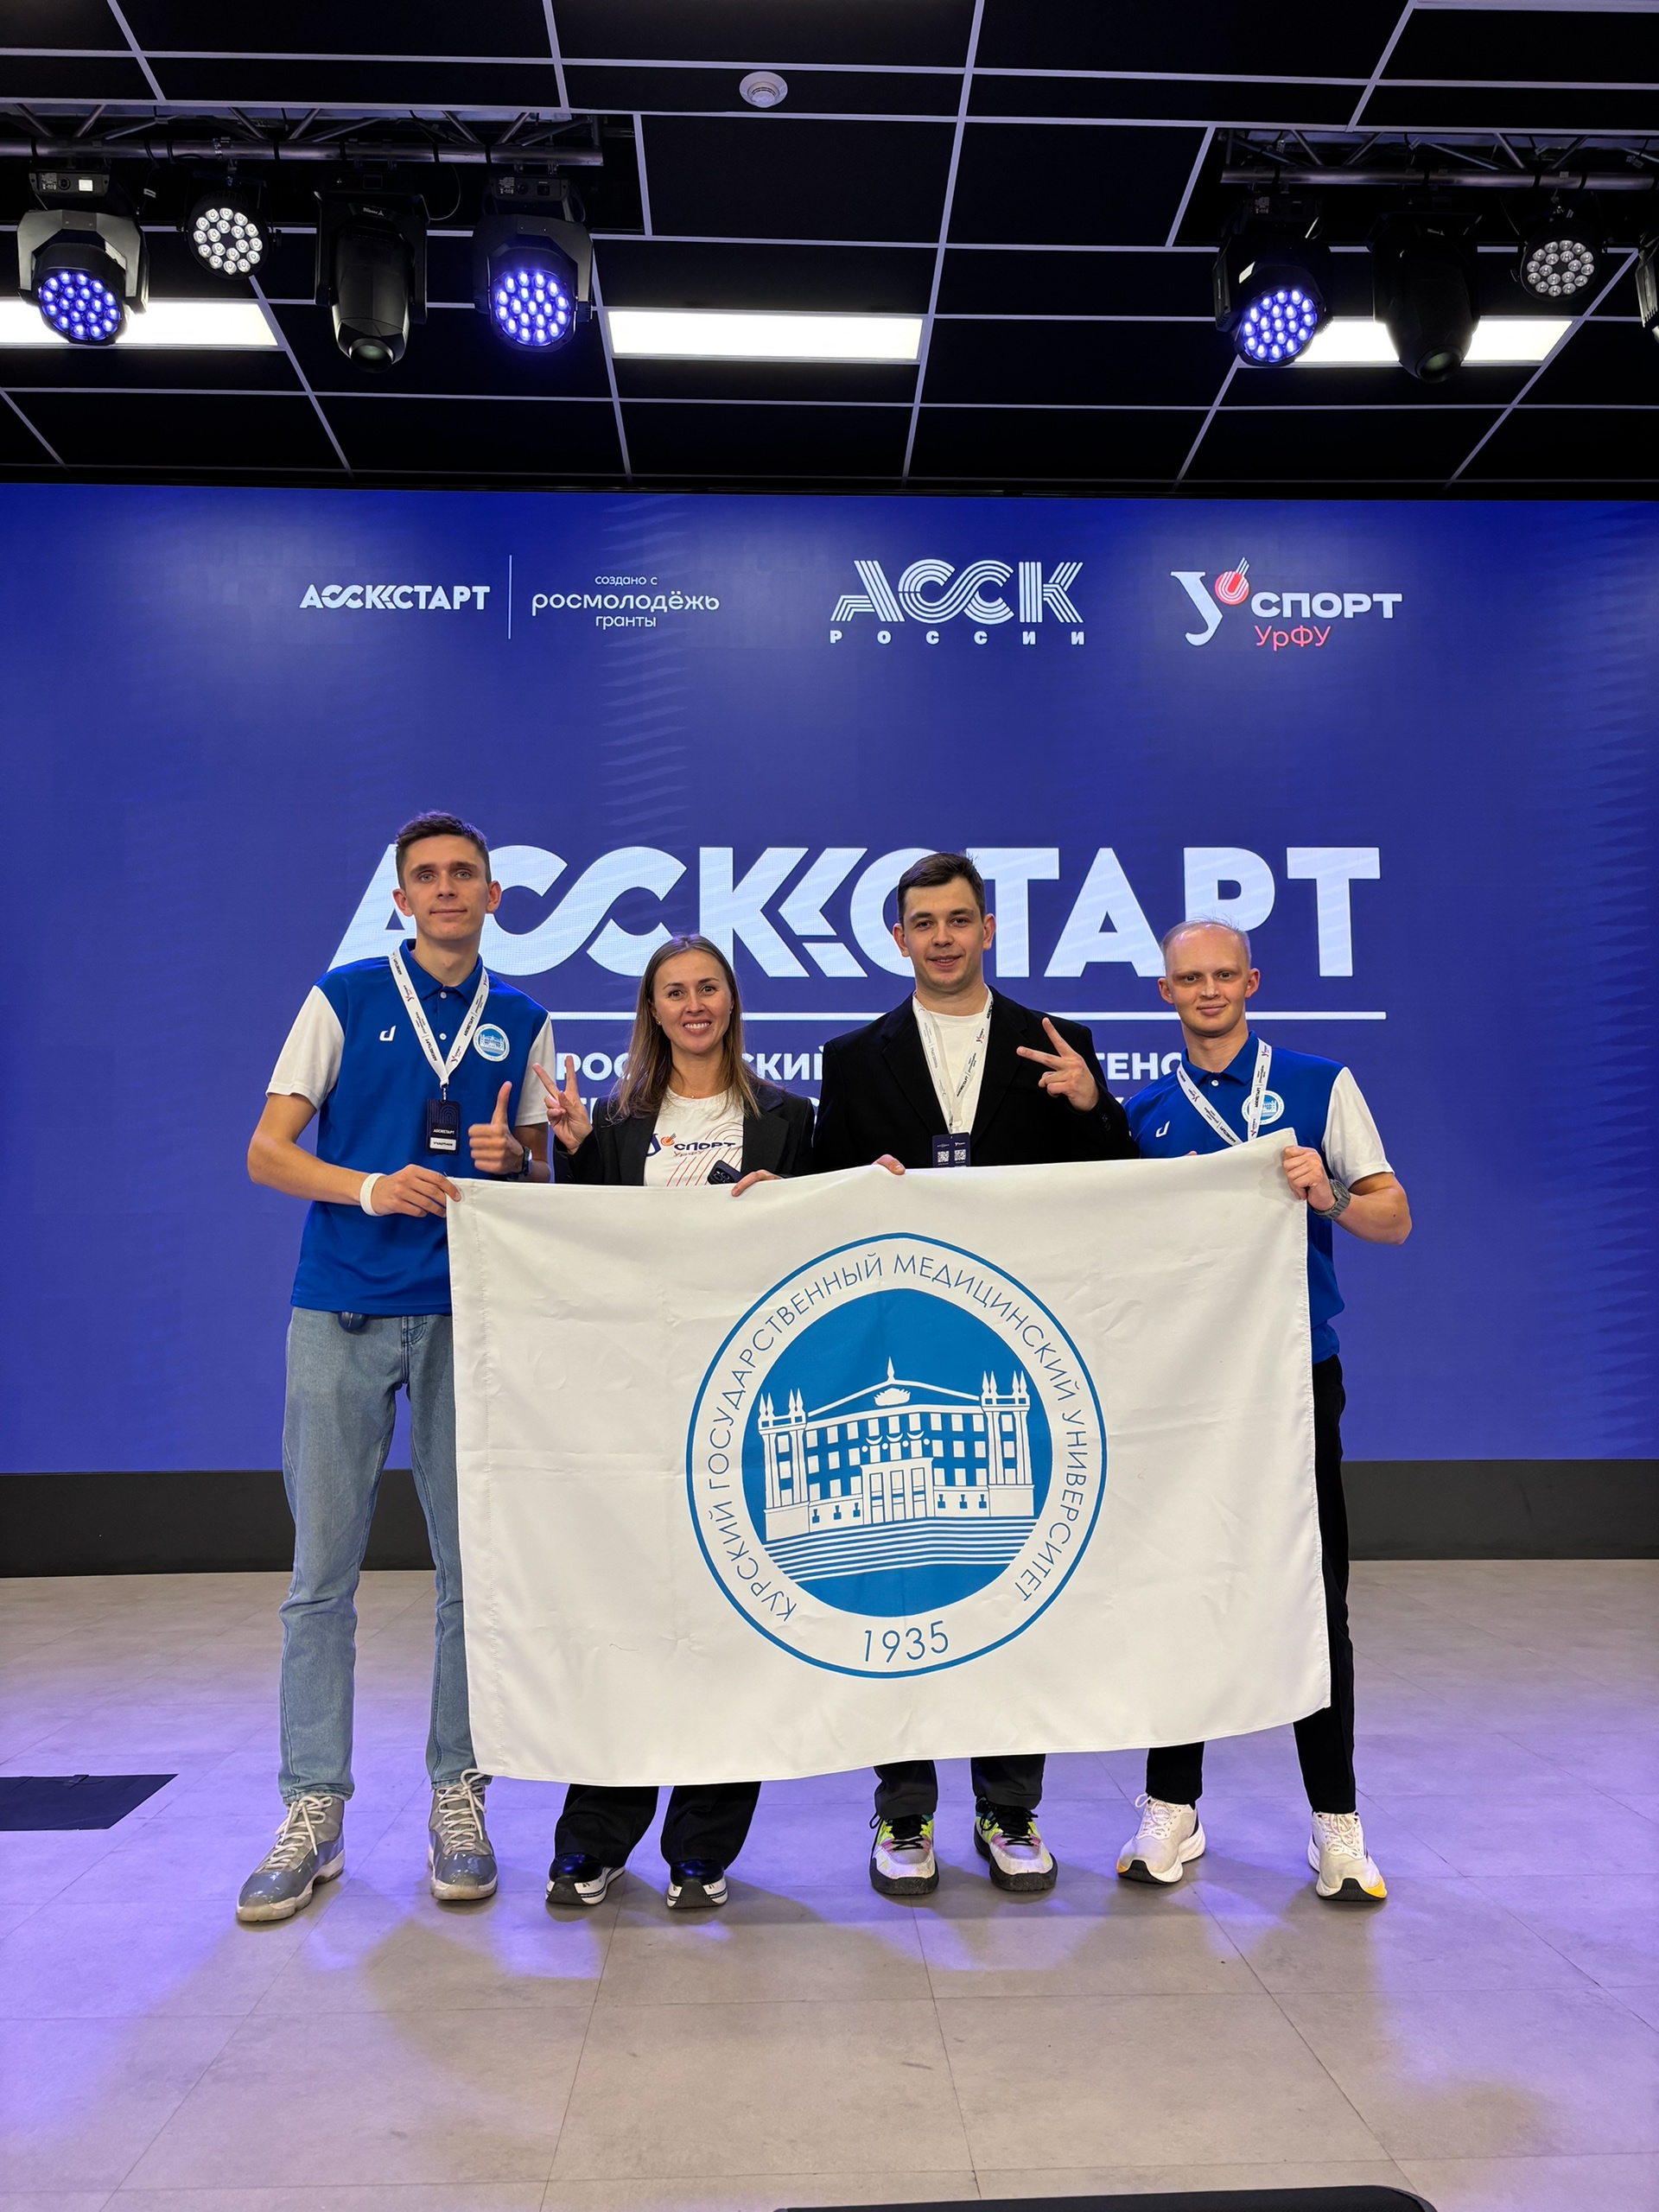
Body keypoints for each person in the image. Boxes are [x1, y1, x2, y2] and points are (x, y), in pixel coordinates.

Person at [237, 812, 556, 1924]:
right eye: (428, 876)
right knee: (320, 1574)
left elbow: (536, 1177)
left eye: (465, 873)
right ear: (402, 898)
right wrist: (371, 1187)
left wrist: (520, 1158)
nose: (447, 889)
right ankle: (311, 1807)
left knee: (472, 1575)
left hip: (470, 1316)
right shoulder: (344, 998)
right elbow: (266, 1151)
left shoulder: (524, 1019)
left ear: (494, 895)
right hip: (341, 1310)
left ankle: (458, 1797)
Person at [811, 851, 1135, 1901]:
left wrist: (1094, 1105)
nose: (943, 937)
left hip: (1017, 1356)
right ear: (897, 938)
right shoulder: (852, 1059)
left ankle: (1009, 1807)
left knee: (1010, 1577)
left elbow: (1120, 1192)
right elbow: (818, 1199)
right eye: (924, 922)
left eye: (959, 919)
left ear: (987, 928)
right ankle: (903, 1811)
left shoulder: (1058, 1041)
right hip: (898, 1341)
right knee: (896, 1587)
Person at [1117, 918, 1411, 1904]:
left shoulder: (1320, 1085)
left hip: (1293, 1377)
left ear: (1251, 982)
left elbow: (1394, 1217)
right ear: (1166, 993)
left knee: (1314, 1596)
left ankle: (1337, 1822)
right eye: (1188, 979)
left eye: (1223, 975)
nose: (1207, 991)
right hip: (1186, 1391)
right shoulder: (1144, 1112)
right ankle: (1172, 1804)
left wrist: (1328, 1195)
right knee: (1183, 1586)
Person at [539, 932, 814, 1913]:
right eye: (674, 992)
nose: (693, 1005)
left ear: (731, 1002)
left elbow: (827, 1249)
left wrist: (798, 1204)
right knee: (628, 1627)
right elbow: (589, 1254)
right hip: (637, 1407)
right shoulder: (617, 1126)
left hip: (747, 1406)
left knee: (733, 1630)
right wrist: (573, 1154)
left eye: (708, 988)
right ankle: (593, 1841)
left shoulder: (790, 1120)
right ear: (651, 1011)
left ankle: (702, 1850)